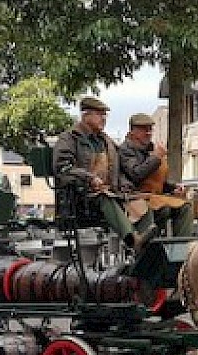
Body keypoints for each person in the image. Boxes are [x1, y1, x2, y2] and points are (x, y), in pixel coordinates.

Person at [53, 96, 157, 252]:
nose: (104, 118)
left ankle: (146, 250)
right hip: (81, 198)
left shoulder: (106, 141)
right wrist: (89, 178)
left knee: (140, 203)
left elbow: (118, 169)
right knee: (105, 199)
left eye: (105, 115)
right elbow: (63, 169)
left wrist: (124, 184)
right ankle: (133, 239)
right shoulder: (69, 139)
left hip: (110, 193)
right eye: (99, 114)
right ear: (86, 115)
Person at [119, 113, 195, 237]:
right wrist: (156, 157)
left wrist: (173, 188)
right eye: (144, 129)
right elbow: (136, 174)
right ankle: (153, 246)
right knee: (164, 210)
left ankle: (181, 249)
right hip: (135, 199)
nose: (148, 133)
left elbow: (158, 183)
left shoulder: (151, 150)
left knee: (185, 207)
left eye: (150, 129)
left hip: (154, 198)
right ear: (133, 131)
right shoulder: (125, 150)